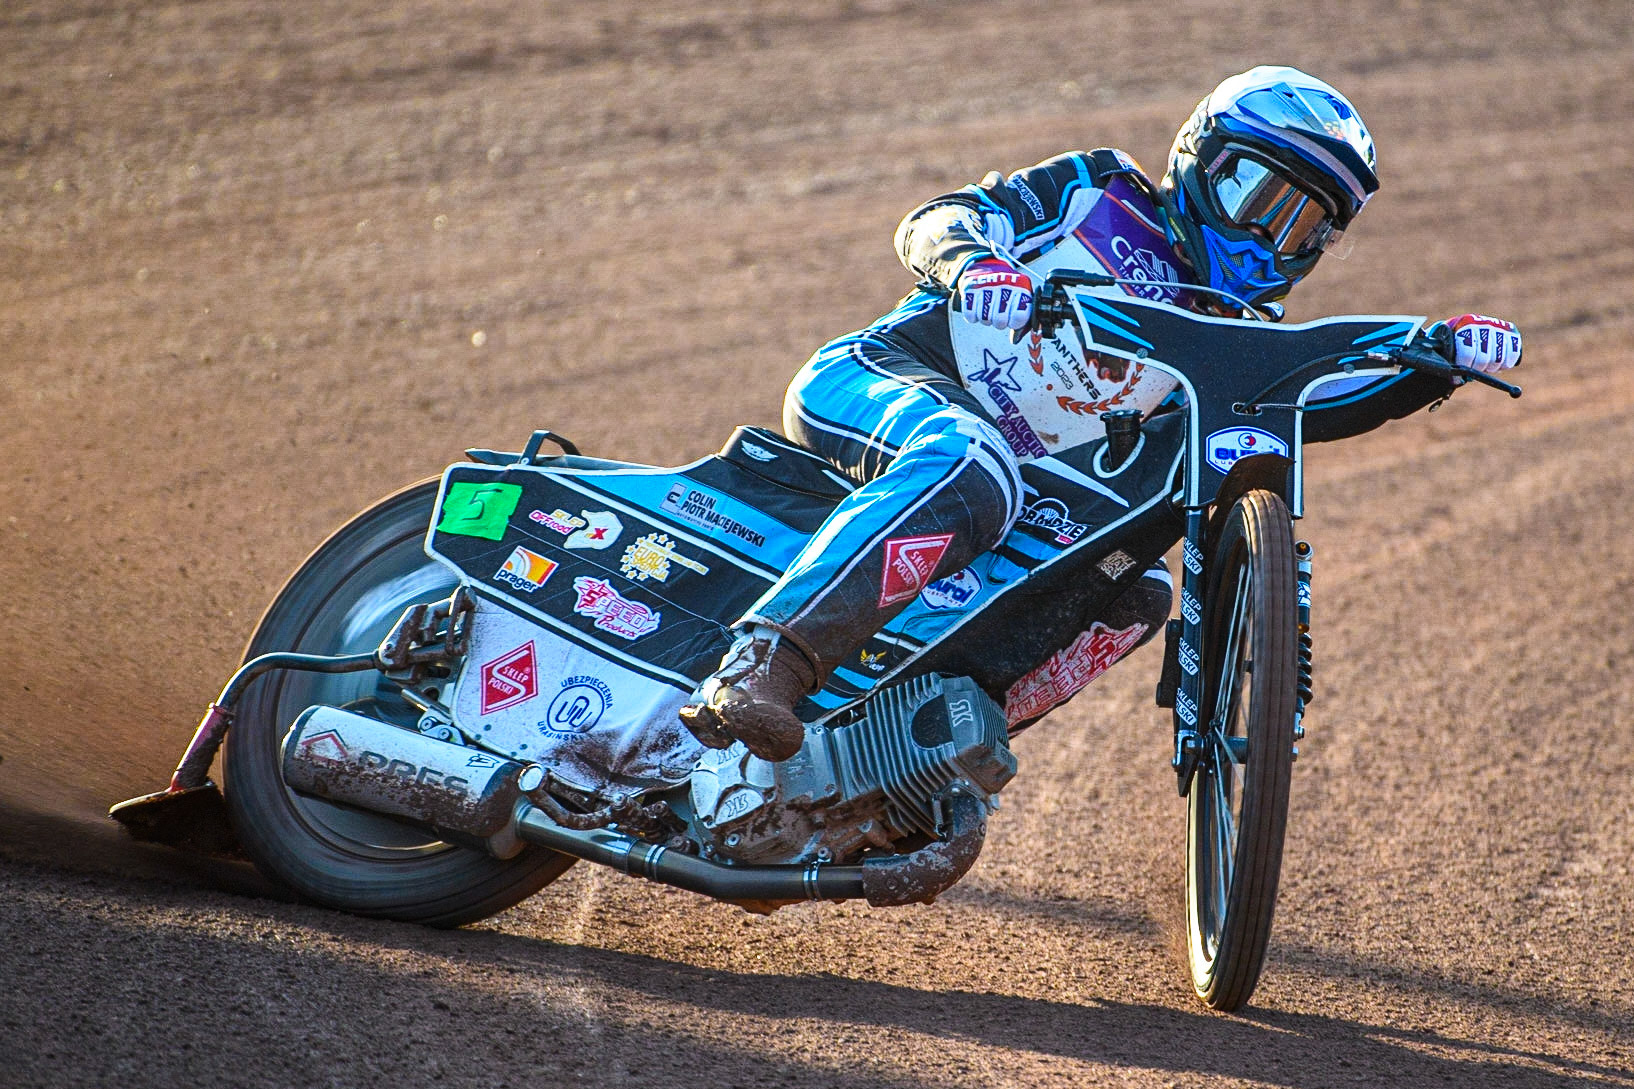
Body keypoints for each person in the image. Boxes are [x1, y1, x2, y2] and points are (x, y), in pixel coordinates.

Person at [679, 65, 1523, 761]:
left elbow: (1316, 402)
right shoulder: (1099, 190)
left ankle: (912, 765)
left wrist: (1434, 363)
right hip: (885, 379)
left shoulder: (1230, 340)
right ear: (1203, 159)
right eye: (1258, 195)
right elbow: (941, 218)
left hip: (1005, 493)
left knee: (1136, 585)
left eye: (1303, 228)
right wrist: (975, 265)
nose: (1269, 240)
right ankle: (764, 666)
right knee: (972, 461)